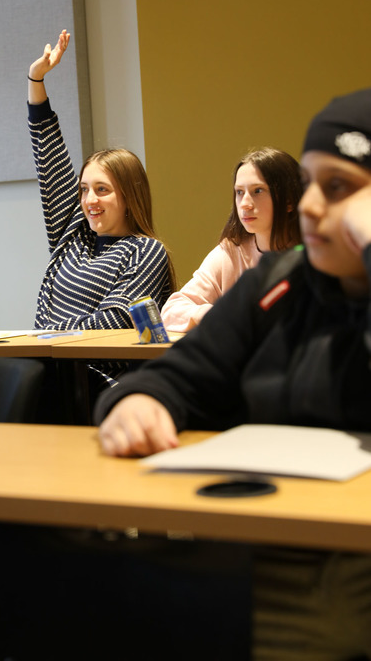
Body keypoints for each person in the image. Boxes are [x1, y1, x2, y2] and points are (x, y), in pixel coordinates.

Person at [95, 87, 371, 660]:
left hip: (347, 557)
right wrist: (139, 403)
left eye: (340, 188)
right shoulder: (276, 284)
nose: (313, 205)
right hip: (258, 539)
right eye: (312, 184)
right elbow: (176, 377)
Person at [28, 29, 175, 332]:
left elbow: (117, 321)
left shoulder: (145, 251)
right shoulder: (72, 234)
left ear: (129, 197)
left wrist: (46, 335)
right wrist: (36, 80)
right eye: (84, 190)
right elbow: (49, 155)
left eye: (102, 190)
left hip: (101, 376)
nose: (89, 200)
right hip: (51, 365)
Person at [162, 146, 302, 332]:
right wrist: (222, 315)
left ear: (289, 201)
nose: (244, 204)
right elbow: (172, 311)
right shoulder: (231, 252)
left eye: (258, 191)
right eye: (239, 192)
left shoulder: (318, 254)